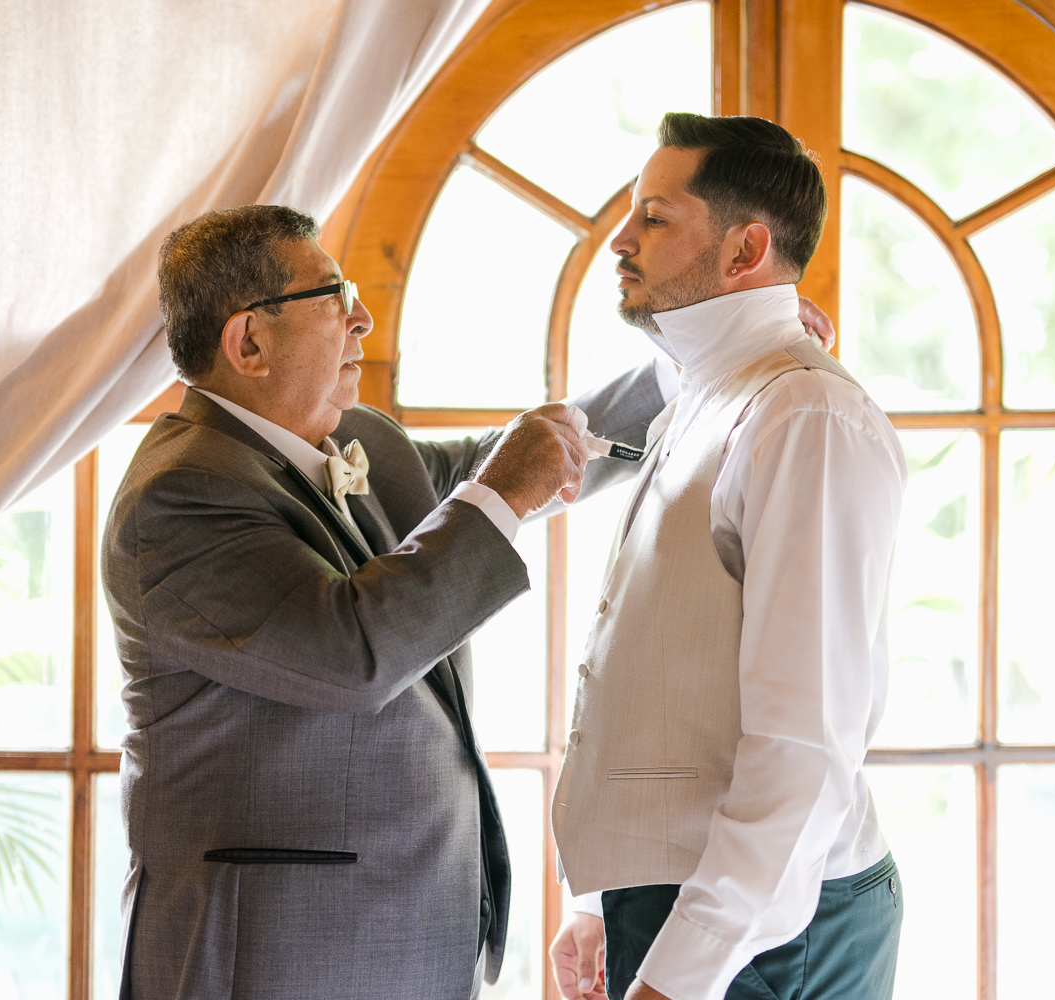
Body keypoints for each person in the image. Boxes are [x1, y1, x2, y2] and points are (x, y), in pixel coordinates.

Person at [101, 204, 670, 999]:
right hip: (270, 961)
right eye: (334, 296)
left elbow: (507, 468)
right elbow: (351, 654)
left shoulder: (362, 442)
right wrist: (502, 489)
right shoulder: (179, 497)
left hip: (403, 945)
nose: (362, 318)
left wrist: (689, 371)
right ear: (249, 342)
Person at [548, 113, 908, 1000]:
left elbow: (803, 741)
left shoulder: (805, 418)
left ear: (745, 250)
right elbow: (671, 672)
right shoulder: (705, 395)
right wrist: (607, 895)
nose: (619, 242)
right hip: (684, 901)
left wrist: (684, 969)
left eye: (655, 218)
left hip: (768, 930)